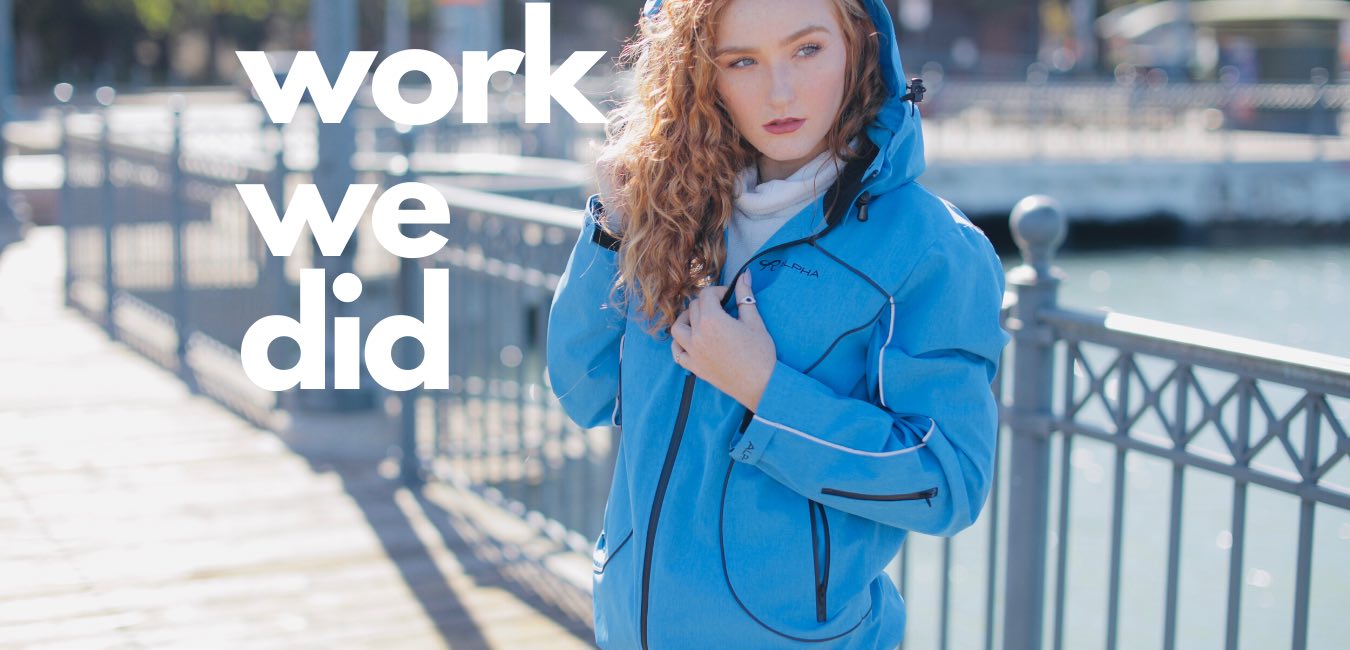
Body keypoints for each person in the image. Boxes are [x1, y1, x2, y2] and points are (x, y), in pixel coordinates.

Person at [546, 0, 1010, 647]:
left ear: (861, 42)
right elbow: (584, 390)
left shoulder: (931, 248)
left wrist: (766, 391)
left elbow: (949, 481)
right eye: (742, 61)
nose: (780, 91)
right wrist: (610, 228)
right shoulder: (677, 212)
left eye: (807, 49)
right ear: (702, 72)